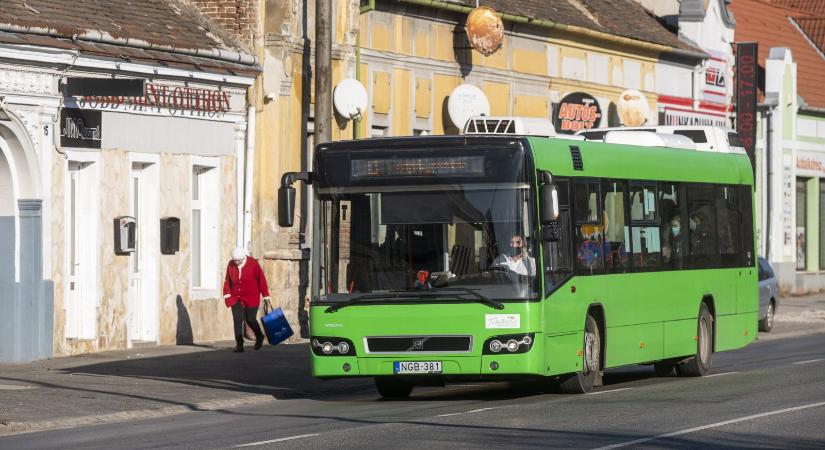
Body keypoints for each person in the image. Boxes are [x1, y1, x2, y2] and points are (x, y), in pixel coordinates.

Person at [223, 247, 269, 353]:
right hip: (236, 297)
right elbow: (227, 280)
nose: (237, 263)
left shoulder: (253, 264)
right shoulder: (231, 265)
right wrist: (227, 294)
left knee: (250, 319)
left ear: (244, 258)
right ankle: (239, 344)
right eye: (235, 261)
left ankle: (259, 336)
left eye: (239, 261)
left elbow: (261, 279)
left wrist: (266, 295)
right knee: (237, 319)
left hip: (251, 297)